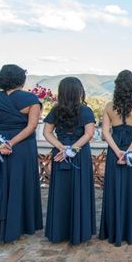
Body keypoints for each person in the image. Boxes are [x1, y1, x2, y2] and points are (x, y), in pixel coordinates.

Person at [0, 64, 43, 244]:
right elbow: (31, 126)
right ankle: (21, 224)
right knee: (21, 183)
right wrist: (11, 143)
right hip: (22, 146)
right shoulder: (31, 99)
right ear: (21, 79)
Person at [43, 77, 96, 245]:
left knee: (60, 191)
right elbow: (89, 134)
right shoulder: (86, 111)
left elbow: (46, 132)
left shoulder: (55, 110)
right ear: (79, 91)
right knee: (80, 189)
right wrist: (71, 149)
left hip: (60, 153)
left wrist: (62, 148)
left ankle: (59, 231)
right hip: (79, 154)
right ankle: (79, 230)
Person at [99, 70, 132, 245]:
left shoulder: (109, 107)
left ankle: (113, 230)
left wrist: (118, 151)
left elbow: (105, 132)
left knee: (114, 188)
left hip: (115, 149)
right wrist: (128, 153)